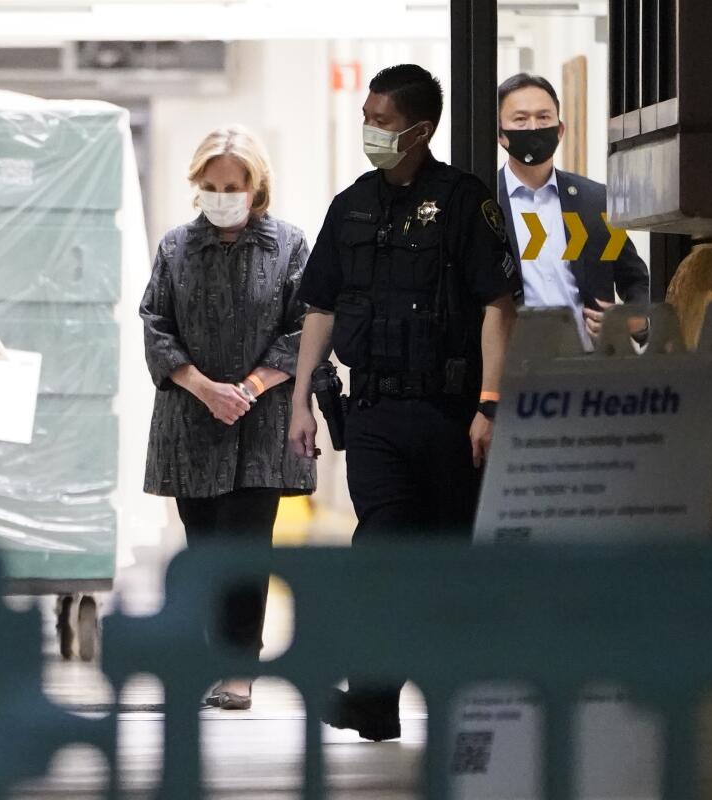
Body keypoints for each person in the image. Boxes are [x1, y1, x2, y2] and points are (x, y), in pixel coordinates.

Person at [287, 64, 521, 740]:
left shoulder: (463, 201)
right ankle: (374, 697)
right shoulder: (352, 205)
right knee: (381, 551)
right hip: (376, 416)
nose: (370, 131)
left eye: (381, 122)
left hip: (451, 416)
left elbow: (498, 307)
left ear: (419, 130)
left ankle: (459, 706)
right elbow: (321, 307)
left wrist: (490, 404)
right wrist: (301, 398)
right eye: (367, 118)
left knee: (446, 564)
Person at [141, 125, 314, 711]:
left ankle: (239, 667)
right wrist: (202, 386)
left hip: (261, 424)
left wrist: (249, 386)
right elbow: (155, 323)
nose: (220, 195)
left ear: (255, 186)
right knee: (206, 546)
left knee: (246, 546)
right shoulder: (175, 248)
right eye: (210, 186)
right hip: (191, 420)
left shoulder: (289, 246)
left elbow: (305, 326)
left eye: (232, 185)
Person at [496, 72, 650, 350]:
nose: (533, 128)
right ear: (500, 135)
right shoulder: (483, 204)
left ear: (560, 130)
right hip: (511, 370)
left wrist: (633, 320)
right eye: (520, 119)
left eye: (543, 118)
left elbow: (633, 278)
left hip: (588, 373)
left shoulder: (596, 201)